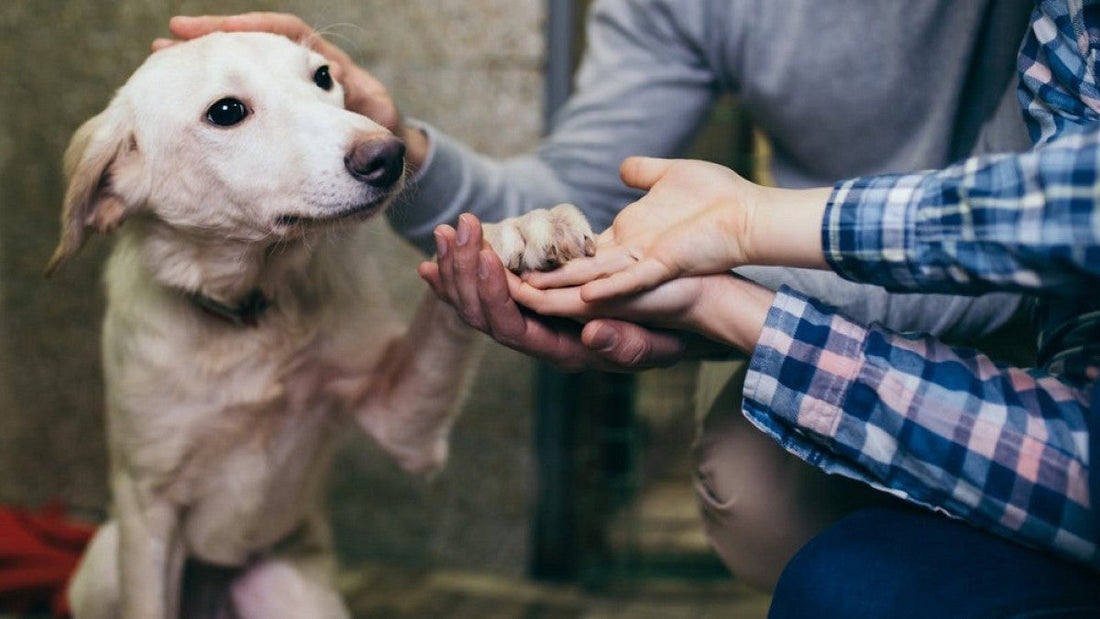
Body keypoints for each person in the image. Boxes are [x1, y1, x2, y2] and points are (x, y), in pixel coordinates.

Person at [167, 0, 1039, 593]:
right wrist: (404, 153)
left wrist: (727, 290)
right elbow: (573, 194)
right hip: (834, 286)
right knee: (752, 491)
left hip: (1054, 291)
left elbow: (1050, 215)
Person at [429, 0, 1100, 614]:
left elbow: (1048, 221)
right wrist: (407, 160)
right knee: (775, 520)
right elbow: (579, 178)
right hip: (819, 270)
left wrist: (746, 237)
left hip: (1005, 296)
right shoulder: (1061, 34)